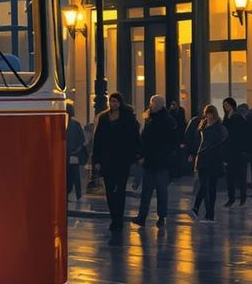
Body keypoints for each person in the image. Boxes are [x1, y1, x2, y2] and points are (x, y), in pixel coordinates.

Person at [91, 92, 140, 234]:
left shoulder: (127, 117)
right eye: (111, 101)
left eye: (116, 101)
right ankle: (114, 217)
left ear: (120, 103)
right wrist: (97, 160)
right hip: (107, 160)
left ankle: (119, 219)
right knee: (109, 190)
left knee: (120, 190)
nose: (113, 104)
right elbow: (98, 140)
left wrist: (135, 155)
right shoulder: (104, 118)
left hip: (122, 160)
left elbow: (134, 137)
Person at [135, 95, 178, 227]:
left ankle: (148, 216)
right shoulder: (164, 120)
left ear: (158, 105)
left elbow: (146, 139)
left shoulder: (156, 120)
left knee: (153, 190)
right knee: (156, 191)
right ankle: (155, 216)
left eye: (152, 104)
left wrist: (143, 154)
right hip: (157, 160)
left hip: (157, 161)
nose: (151, 106)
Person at [192, 104, 228, 221]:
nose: (209, 116)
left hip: (213, 159)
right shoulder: (203, 124)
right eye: (207, 113)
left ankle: (206, 212)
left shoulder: (219, 127)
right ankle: (203, 210)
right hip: (203, 158)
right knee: (205, 185)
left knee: (210, 187)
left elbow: (222, 142)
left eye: (210, 114)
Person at [221, 97, 248, 206]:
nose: (225, 107)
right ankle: (232, 198)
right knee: (230, 176)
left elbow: (241, 133)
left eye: (227, 104)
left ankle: (241, 198)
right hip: (229, 150)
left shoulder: (237, 117)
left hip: (236, 150)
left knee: (239, 175)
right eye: (224, 105)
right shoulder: (226, 117)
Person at [65, 103, 86, 202]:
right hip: (72, 153)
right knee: (75, 175)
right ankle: (77, 195)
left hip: (68, 153)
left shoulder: (69, 124)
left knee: (70, 175)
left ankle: (71, 193)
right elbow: (81, 139)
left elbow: (81, 139)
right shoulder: (76, 124)